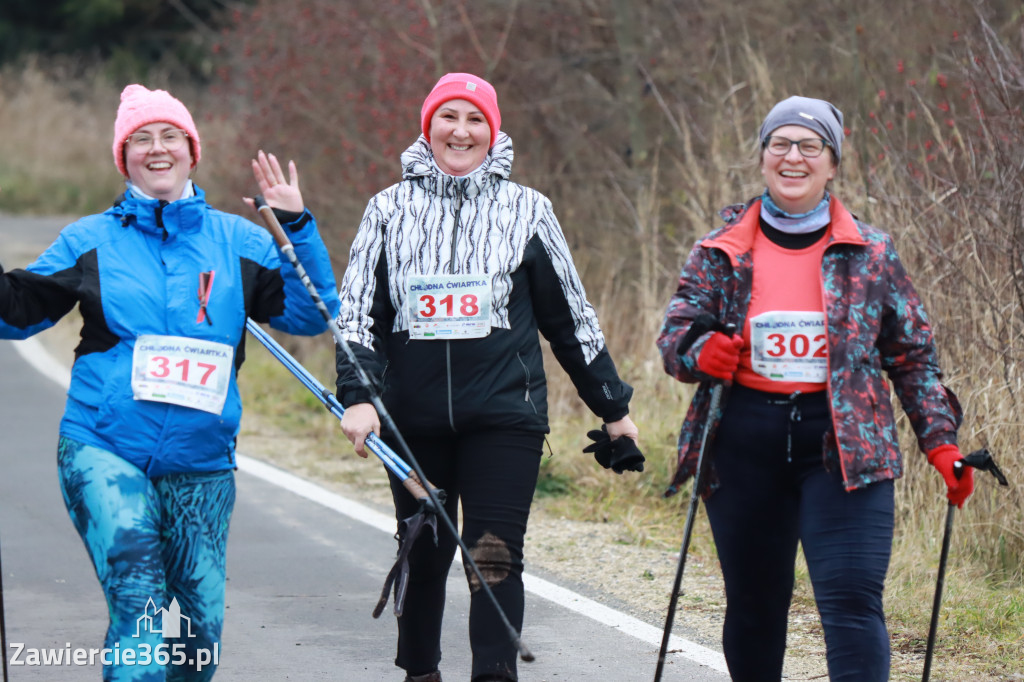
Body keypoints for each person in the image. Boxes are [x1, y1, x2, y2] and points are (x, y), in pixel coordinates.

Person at [0, 84, 340, 681]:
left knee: (196, 635)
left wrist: (296, 227)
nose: (157, 149)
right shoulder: (90, 241)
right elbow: (17, 312)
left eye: (170, 136)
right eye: (140, 140)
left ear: (192, 151)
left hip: (202, 463)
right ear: (123, 157)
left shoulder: (241, 241)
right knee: (140, 604)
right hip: (103, 447)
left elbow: (310, 315)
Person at [335, 72, 641, 682]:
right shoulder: (387, 210)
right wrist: (362, 398)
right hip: (413, 421)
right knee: (425, 552)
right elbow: (357, 317)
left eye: (475, 119)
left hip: (506, 417)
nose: (461, 130)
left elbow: (570, 319)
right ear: (429, 126)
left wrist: (613, 407)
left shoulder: (529, 209)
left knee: (494, 557)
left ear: (493, 130)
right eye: (449, 117)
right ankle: (420, 672)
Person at [656, 96, 972, 681]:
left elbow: (913, 358)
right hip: (744, 445)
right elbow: (674, 338)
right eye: (780, 144)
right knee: (754, 609)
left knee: (852, 605)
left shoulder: (872, 254)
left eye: (810, 146)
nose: (793, 157)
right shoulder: (720, 251)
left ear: (832, 163)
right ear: (763, 158)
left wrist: (942, 444)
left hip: (844, 449)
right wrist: (705, 352)